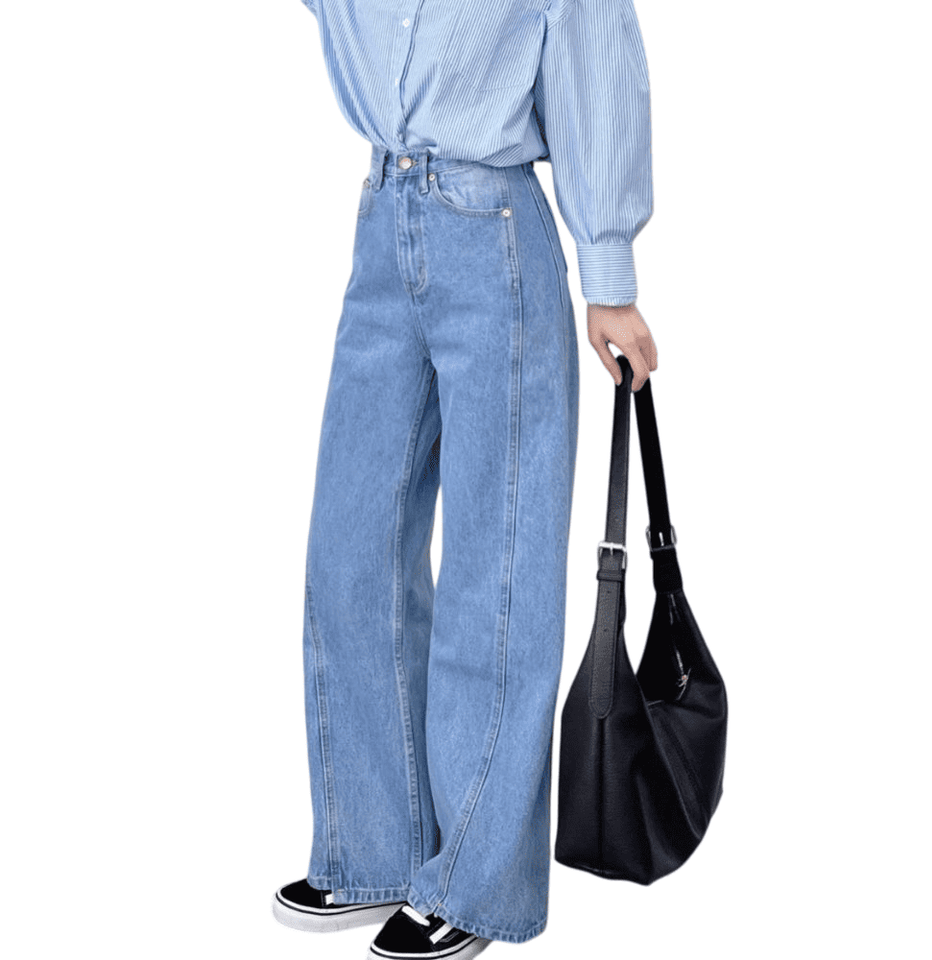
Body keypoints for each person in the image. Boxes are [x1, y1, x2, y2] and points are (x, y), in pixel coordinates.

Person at [273, 2, 658, 958]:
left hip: (496, 232)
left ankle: (476, 886)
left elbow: (593, 53)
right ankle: (374, 848)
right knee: (350, 555)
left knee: (497, 573)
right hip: (384, 214)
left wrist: (608, 275)